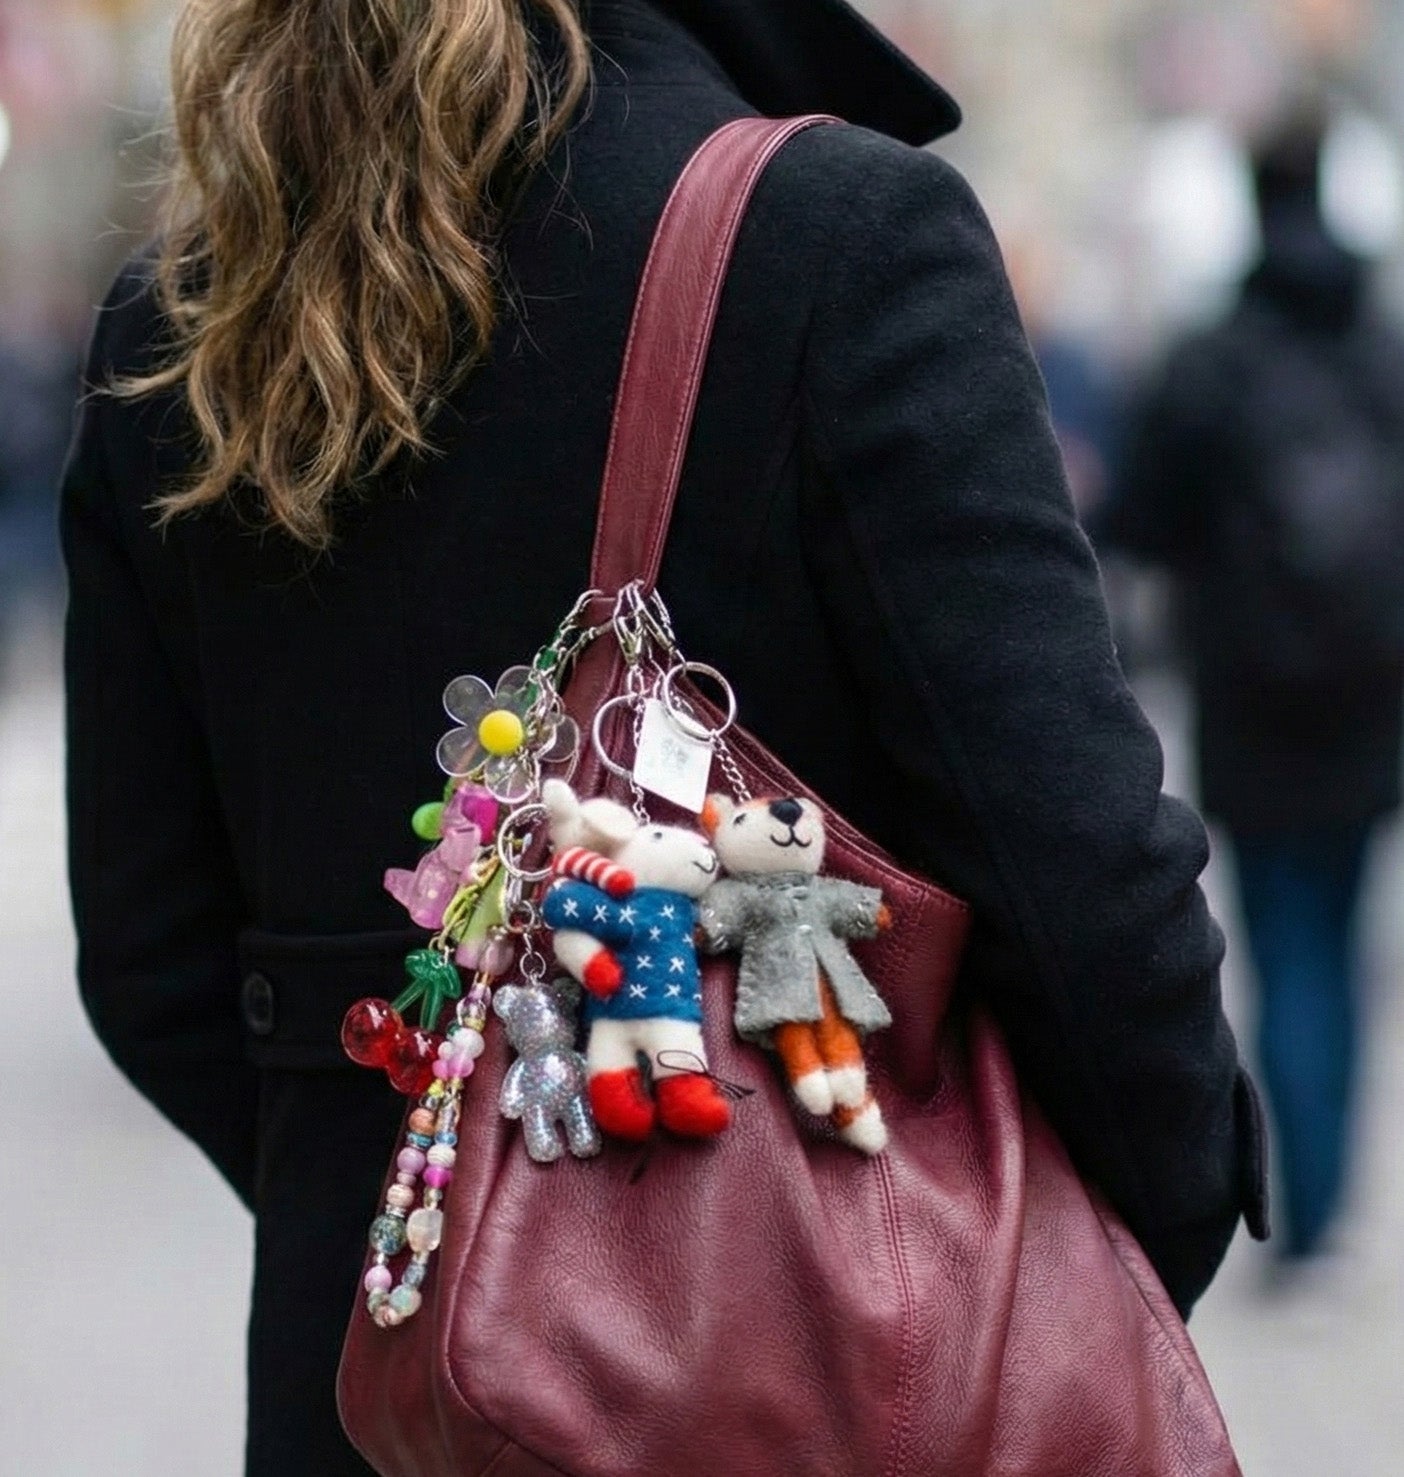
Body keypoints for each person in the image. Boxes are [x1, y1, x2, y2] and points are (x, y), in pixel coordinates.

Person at [60, 1, 1266, 1471]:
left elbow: (151, 962)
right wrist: (1098, 1273)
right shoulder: (839, 236)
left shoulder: (177, 314)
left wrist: (438, 1219)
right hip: (807, 1381)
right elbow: (1086, 893)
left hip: (381, 1388)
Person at [1105, 109, 1404, 1266]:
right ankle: (1329, 1196)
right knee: (1344, 936)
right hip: (1371, 700)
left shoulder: (1212, 358)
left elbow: (1137, 516)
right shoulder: (1379, 348)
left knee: (1284, 948)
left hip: (1250, 701)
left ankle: (1304, 1196)